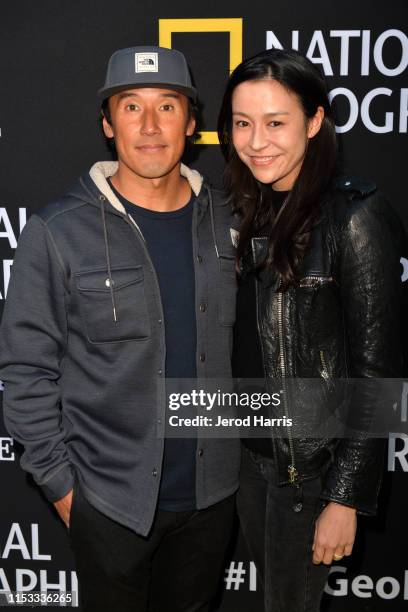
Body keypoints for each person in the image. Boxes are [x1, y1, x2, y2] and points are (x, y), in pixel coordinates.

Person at [0, 46, 240, 612]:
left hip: (213, 501)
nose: (150, 126)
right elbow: (25, 371)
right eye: (131, 107)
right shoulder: (56, 231)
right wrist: (62, 488)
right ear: (109, 125)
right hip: (109, 505)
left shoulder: (232, 219)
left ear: (191, 121)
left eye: (167, 106)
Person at [217, 48, 404, 611]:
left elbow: (379, 374)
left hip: (307, 474)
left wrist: (344, 497)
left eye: (276, 123)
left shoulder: (355, 217)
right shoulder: (254, 206)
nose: (256, 141)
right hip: (252, 459)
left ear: (316, 120)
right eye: (243, 124)